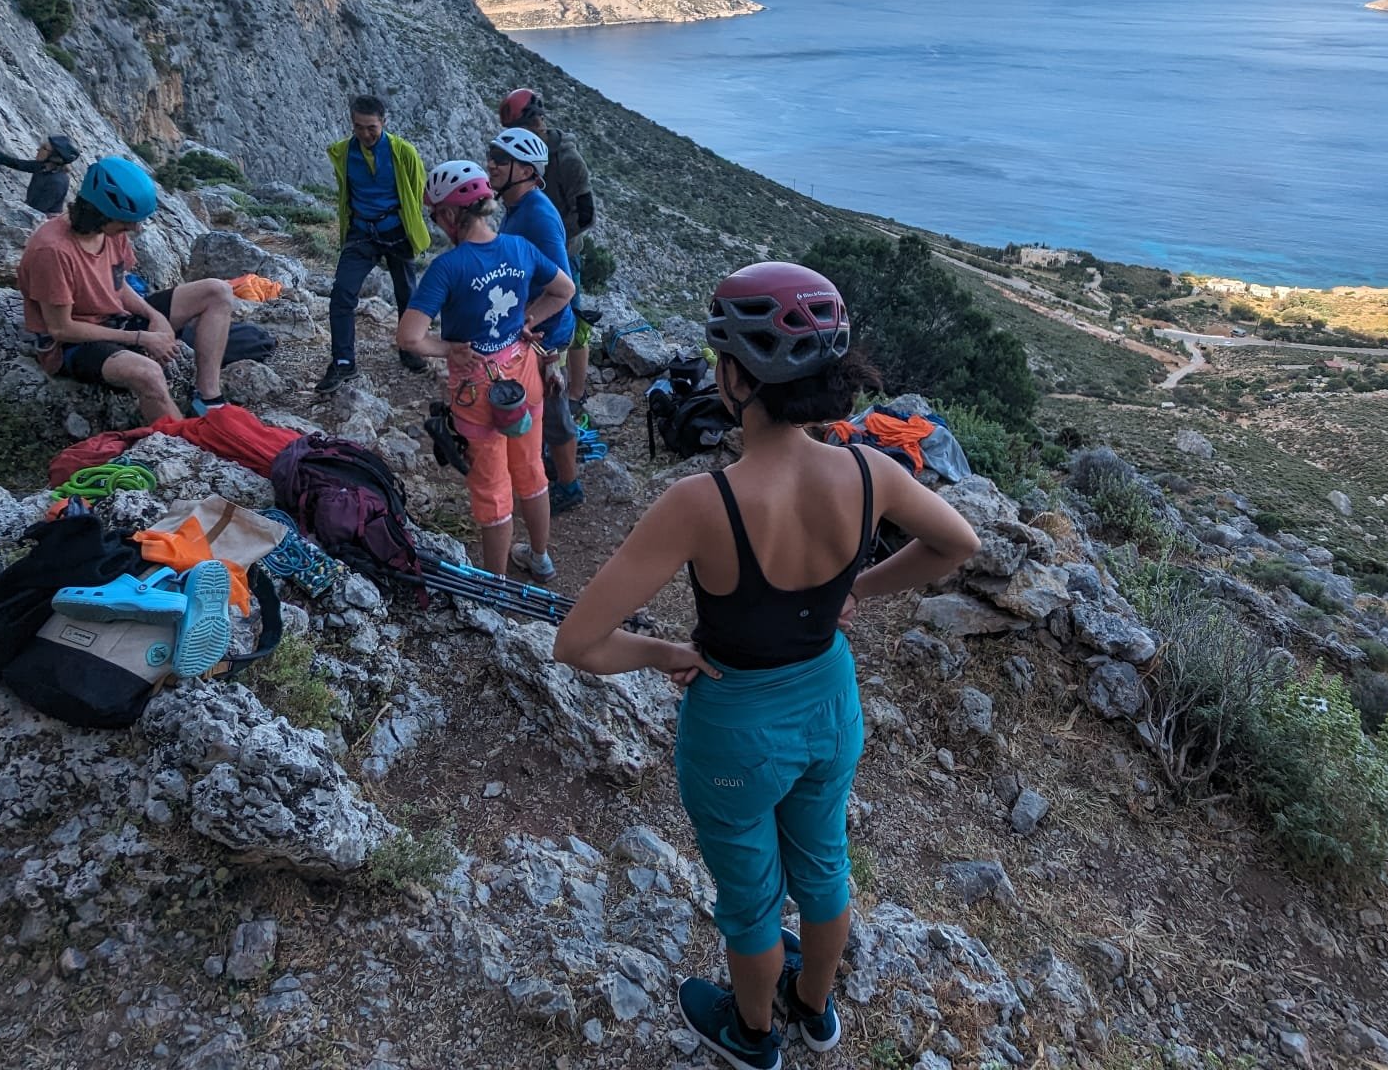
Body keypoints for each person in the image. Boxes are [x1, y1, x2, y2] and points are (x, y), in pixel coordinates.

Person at [553, 263, 979, 1068]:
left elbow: (577, 642)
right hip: (831, 706)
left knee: (751, 901)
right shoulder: (869, 472)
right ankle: (814, 1010)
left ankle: (752, 1037)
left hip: (735, 729)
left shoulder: (700, 504)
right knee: (824, 868)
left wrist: (668, 653)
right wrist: (857, 588)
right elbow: (959, 542)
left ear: (735, 377)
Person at [397, 161, 575, 580]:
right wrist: (528, 319)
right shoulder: (520, 248)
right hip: (523, 372)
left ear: (450, 214)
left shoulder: (448, 267)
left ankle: (496, 586)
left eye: (436, 216)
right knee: (530, 469)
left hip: (477, 389)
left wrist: (448, 349)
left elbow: (409, 337)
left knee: (493, 488)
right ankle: (540, 557)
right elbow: (564, 290)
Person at [16, 156, 238, 425]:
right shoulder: (52, 251)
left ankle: (209, 399)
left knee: (218, 291)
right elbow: (61, 329)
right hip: (74, 346)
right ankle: (182, 442)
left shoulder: (110, 232)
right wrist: (141, 338)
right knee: (148, 374)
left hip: (117, 321)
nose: (135, 228)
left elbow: (117, 285)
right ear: (99, 213)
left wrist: (154, 316)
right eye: (127, 221)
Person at [487, 126, 586, 515]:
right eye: (492, 156)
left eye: (501, 160)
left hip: (547, 333)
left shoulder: (538, 216)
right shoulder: (518, 207)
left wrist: (527, 322)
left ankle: (569, 485)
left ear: (527, 171)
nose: (492, 164)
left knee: (555, 410)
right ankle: (545, 464)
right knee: (540, 405)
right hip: (533, 327)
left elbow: (563, 287)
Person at [318, 94, 432, 394]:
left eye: (371, 127)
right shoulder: (344, 152)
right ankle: (343, 361)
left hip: (396, 230)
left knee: (407, 294)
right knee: (342, 292)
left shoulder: (403, 152)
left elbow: (417, 189)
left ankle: (410, 348)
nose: (365, 134)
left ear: (384, 123)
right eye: (359, 127)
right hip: (362, 232)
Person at [500, 88, 594, 418]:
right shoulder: (522, 158)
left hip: (564, 252)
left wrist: (552, 238)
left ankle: (576, 393)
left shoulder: (567, 160)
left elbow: (586, 214)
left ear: (535, 123)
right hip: (535, 248)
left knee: (572, 317)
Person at [0, 120, 81, 215]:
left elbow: (38, 212)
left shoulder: (57, 182)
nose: (38, 149)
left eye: (44, 148)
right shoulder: (43, 167)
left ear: (55, 157)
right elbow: (9, 161)